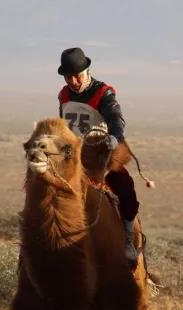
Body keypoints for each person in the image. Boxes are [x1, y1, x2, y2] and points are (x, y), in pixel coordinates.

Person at [56, 47, 139, 268]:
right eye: (69, 76)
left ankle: (128, 239)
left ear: (88, 71)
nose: (73, 81)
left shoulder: (104, 93)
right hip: (73, 157)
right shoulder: (63, 95)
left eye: (78, 75)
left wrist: (115, 137)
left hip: (100, 153)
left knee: (125, 187)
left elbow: (116, 118)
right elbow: (63, 126)